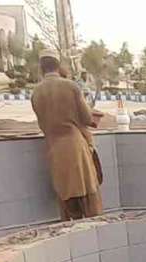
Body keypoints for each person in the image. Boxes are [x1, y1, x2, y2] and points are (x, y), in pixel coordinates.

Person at [31, 52, 104, 220]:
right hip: (75, 146)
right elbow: (86, 118)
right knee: (88, 197)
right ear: (59, 65)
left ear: (41, 68)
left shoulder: (36, 93)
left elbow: (42, 124)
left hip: (54, 149)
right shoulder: (70, 86)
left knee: (67, 200)